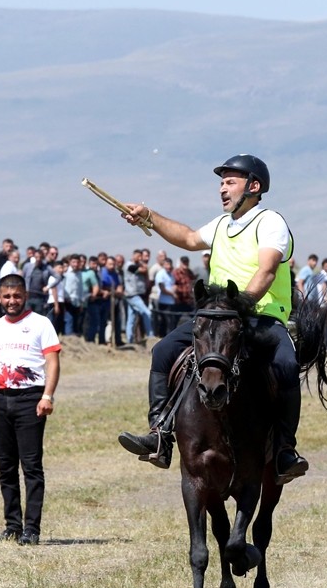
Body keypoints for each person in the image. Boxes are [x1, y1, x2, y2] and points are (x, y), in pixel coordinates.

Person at [115, 154, 308, 484]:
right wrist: (149, 216)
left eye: (230, 181)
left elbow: (267, 270)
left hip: (261, 317)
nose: (222, 188)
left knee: (287, 364)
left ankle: (284, 451)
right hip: (217, 319)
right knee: (162, 351)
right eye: (221, 182)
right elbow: (188, 238)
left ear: (254, 186)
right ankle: (160, 434)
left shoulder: (270, 221)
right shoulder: (222, 225)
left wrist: (242, 307)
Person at [0, 274, 61, 545]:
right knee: (6, 466)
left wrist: (48, 396)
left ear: (25, 296)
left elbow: (53, 363)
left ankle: (31, 529)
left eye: (17, 296)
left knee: (31, 466)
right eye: (7, 297)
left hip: (30, 400)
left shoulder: (41, 324)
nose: (12, 301)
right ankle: (12, 525)